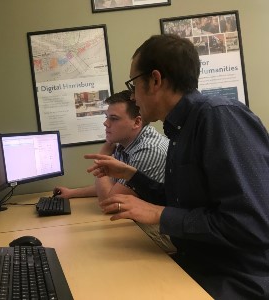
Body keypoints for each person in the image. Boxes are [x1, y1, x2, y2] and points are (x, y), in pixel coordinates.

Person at [85, 34, 269, 299]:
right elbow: (184, 203)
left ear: (156, 80)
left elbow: (252, 225)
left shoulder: (219, 117)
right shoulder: (180, 128)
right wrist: (132, 176)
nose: (134, 97)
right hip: (199, 263)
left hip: (237, 277)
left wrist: (160, 215)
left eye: (134, 84)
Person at [55, 90, 175, 253]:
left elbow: (110, 202)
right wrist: (72, 193)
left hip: (167, 230)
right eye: (107, 117)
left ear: (136, 122)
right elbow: (115, 186)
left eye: (114, 119)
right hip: (147, 218)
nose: (106, 123)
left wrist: (104, 154)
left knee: (97, 247)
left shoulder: (148, 150)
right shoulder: (125, 144)